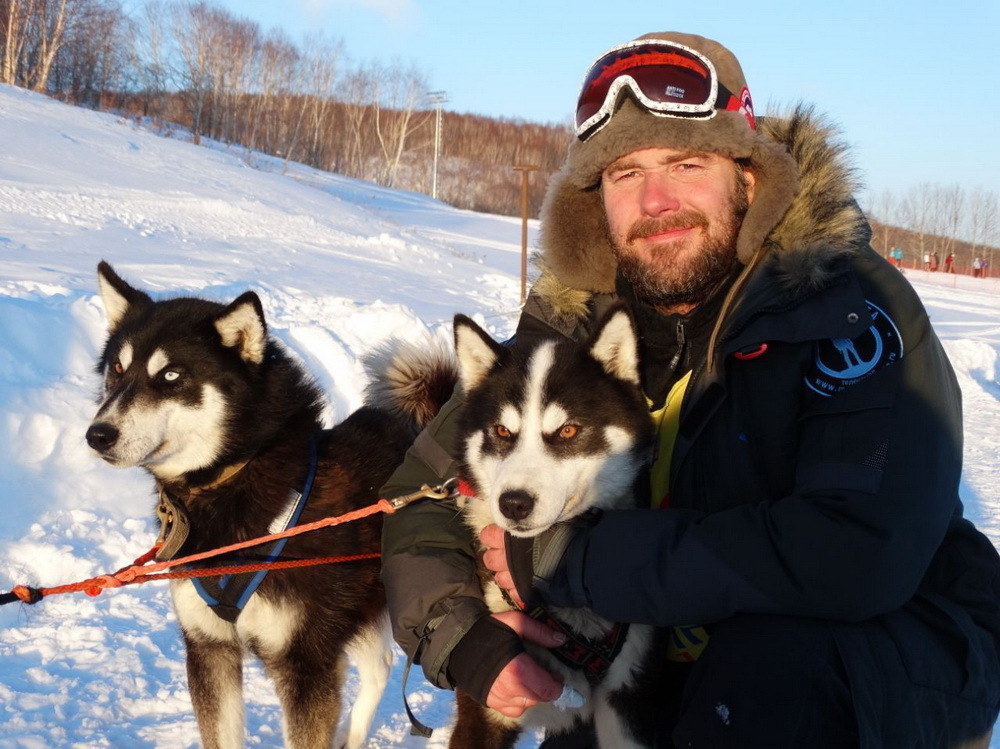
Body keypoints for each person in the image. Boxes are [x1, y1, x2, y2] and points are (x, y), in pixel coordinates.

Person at [380, 31, 1000, 747]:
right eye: (624, 174)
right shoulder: (567, 333)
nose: (656, 199)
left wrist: (570, 560)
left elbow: (853, 552)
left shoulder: (843, 307)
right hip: (663, 657)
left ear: (748, 177)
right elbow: (420, 498)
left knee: (767, 674)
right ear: (595, 204)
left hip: (876, 659)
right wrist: (471, 643)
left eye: (686, 162)